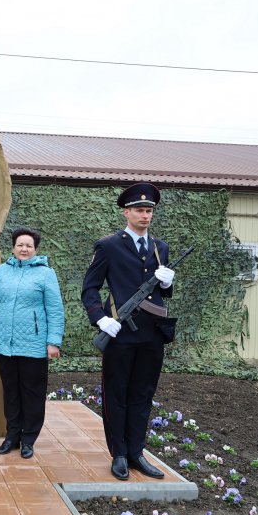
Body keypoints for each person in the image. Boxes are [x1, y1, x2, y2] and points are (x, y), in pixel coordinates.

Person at [81, 182, 176, 481]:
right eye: (139, 210)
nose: (145, 215)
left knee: (143, 395)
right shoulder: (108, 245)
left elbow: (164, 293)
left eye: (149, 211)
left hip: (152, 334)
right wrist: (100, 319)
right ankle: (119, 454)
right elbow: (89, 289)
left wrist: (167, 283)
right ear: (126, 212)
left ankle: (137, 452)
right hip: (120, 332)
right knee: (117, 394)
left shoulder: (160, 248)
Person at [0, 227, 65, 460]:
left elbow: (55, 310)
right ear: (13, 247)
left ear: (35, 249)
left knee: (32, 392)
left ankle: (29, 438)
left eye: (28, 245)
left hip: (34, 344)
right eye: (20, 245)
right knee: (11, 391)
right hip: (4, 344)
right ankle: (12, 436)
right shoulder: (1, 271)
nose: (24, 249)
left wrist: (53, 342)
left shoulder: (46, 274)